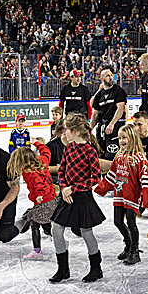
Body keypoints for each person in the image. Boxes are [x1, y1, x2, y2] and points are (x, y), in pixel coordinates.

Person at [49, 113, 106, 284]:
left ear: (74, 131)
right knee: (56, 229)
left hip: (82, 197)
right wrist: (64, 188)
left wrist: (72, 188)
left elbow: (96, 178)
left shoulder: (90, 151)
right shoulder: (68, 148)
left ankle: (96, 269)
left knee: (86, 232)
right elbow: (62, 170)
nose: (63, 133)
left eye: (66, 130)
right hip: (67, 195)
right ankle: (62, 269)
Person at [95, 124, 148, 266]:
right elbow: (112, 174)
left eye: (124, 137)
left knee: (131, 222)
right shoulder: (119, 155)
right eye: (120, 138)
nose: (121, 141)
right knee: (117, 221)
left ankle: (134, 250)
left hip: (132, 197)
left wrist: (146, 199)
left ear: (132, 138)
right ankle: (128, 245)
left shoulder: (139, 158)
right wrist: (102, 188)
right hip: (119, 195)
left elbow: (145, 180)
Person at [9, 140, 60, 261]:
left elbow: (38, 182)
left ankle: (37, 251)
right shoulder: (42, 161)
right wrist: (37, 143)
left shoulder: (28, 172)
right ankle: (59, 241)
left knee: (34, 222)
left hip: (43, 202)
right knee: (45, 224)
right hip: (52, 200)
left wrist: (39, 195)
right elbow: (46, 151)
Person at [90, 64, 127, 160]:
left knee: (112, 156)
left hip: (115, 128)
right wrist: (88, 129)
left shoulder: (118, 91)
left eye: (111, 75)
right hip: (102, 129)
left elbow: (121, 109)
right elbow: (95, 114)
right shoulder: (99, 95)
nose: (110, 78)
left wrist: (112, 124)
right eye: (107, 76)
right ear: (102, 79)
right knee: (101, 155)